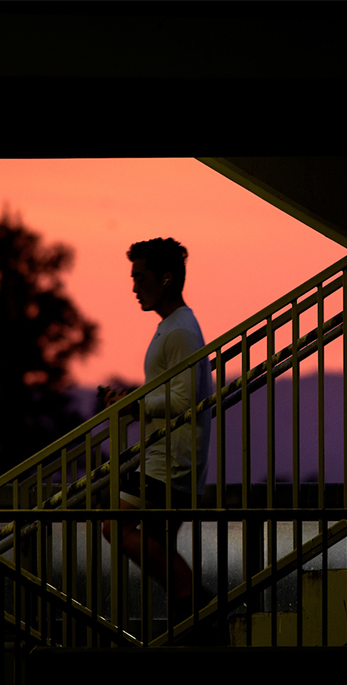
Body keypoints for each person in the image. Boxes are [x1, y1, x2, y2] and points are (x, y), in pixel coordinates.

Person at [102, 237, 214, 617]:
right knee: (148, 539)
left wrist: (135, 404)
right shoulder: (175, 326)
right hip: (167, 457)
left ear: (166, 278)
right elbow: (173, 394)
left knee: (115, 528)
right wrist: (133, 405)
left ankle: (200, 604)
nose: (134, 287)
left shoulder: (181, 330)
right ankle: (191, 620)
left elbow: (185, 400)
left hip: (171, 461)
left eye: (141, 277)